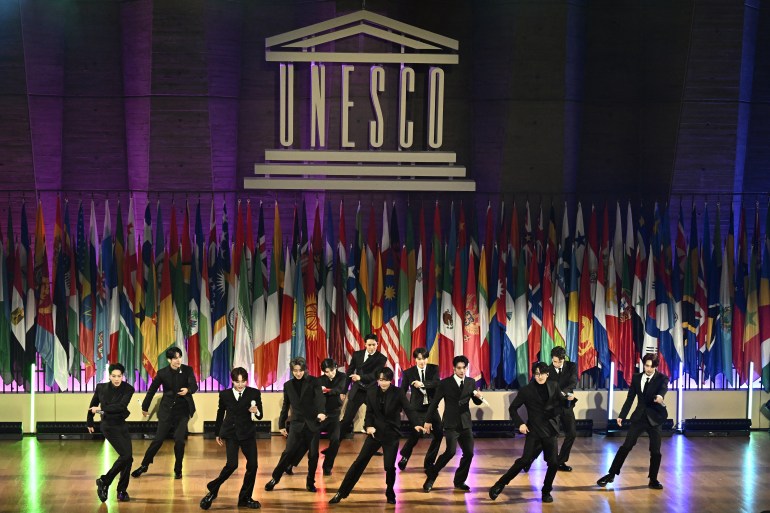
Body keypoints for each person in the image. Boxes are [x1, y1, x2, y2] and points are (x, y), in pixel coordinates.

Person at [329, 367, 424, 505]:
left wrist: (415, 423)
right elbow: (369, 413)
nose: (383, 383)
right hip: (375, 433)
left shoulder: (398, 393)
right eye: (380, 380)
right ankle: (341, 492)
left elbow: (408, 409)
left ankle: (390, 491)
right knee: (358, 463)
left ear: (390, 380)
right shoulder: (371, 391)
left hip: (391, 434)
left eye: (385, 380)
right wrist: (368, 426)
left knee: (389, 467)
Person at [488, 362, 564, 503]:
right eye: (536, 373)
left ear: (547, 374)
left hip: (550, 431)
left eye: (542, 373)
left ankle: (546, 491)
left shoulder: (554, 386)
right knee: (524, 461)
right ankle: (500, 484)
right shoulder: (526, 390)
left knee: (553, 463)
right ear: (533, 375)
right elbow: (513, 409)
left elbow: (561, 403)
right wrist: (520, 423)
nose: (539, 376)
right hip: (534, 431)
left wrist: (568, 401)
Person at [597, 353, 668, 490]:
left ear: (655, 367)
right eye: (646, 366)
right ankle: (611, 474)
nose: (648, 369)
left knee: (655, 451)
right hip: (639, 417)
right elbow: (630, 398)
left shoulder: (662, 378)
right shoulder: (636, 378)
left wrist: (660, 397)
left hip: (655, 418)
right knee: (626, 446)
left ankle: (653, 479)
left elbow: (662, 390)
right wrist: (622, 415)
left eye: (651, 367)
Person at [200, 367, 263, 510]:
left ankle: (245, 498)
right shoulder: (225, 394)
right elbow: (220, 413)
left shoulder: (254, 393)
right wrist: (217, 433)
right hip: (231, 433)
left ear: (246, 380)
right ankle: (214, 488)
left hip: (248, 434)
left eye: (243, 381)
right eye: (237, 381)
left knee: (253, 466)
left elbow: (260, 415)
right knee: (232, 464)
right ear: (232, 381)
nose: (240, 385)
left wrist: (256, 411)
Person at [131, 346, 198, 479]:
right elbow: (152, 390)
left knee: (179, 440)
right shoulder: (162, 373)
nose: (178, 360)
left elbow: (194, 386)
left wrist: (188, 390)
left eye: (179, 357)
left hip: (182, 410)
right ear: (169, 360)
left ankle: (178, 469)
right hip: (167, 410)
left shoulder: (187, 370)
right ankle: (144, 465)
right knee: (158, 440)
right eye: (175, 358)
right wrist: (145, 407)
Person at [421, 355, 485, 493]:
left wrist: (479, 397)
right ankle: (431, 477)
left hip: (465, 423)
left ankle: (459, 481)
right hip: (451, 423)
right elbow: (434, 403)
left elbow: (476, 401)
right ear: (454, 369)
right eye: (459, 368)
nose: (462, 371)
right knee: (450, 452)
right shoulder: (445, 383)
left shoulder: (471, 382)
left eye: (464, 368)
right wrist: (427, 421)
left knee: (469, 453)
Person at [264, 357, 327, 492]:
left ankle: (310, 482)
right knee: (288, 452)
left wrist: (321, 412)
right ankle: (275, 478)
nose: (298, 373)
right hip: (296, 423)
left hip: (313, 423)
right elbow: (286, 406)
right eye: (295, 371)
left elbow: (320, 399)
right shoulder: (288, 385)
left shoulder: (314, 381)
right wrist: (281, 424)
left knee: (313, 455)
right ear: (292, 371)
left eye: (300, 370)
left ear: (305, 370)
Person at [284, 358, 348, 476]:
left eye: (332, 370)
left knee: (335, 440)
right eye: (327, 372)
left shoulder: (342, 377)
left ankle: (327, 466)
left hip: (333, 415)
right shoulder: (319, 380)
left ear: (336, 367)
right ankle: (290, 464)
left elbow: (339, 389)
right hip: (318, 416)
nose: (330, 373)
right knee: (307, 441)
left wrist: (326, 391)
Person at [88, 363, 135, 503]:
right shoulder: (101, 387)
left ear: (123, 376)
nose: (116, 379)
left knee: (128, 458)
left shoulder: (128, 389)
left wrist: (101, 410)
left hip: (121, 424)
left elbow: (120, 407)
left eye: (119, 376)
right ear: (109, 376)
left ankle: (119, 490)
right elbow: (93, 405)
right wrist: (89, 421)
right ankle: (105, 481)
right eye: (113, 376)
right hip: (108, 426)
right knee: (126, 456)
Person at [398, 347, 442, 473]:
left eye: (424, 359)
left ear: (427, 359)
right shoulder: (408, 373)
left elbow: (436, 383)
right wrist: (399, 408)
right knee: (416, 434)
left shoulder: (434, 369)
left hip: (431, 408)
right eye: (419, 359)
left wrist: (422, 384)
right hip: (416, 409)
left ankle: (429, 462)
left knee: (439, 434)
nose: (422, 362)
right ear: (415, 360)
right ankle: (405, 456)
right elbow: (402, 391)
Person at [339, 334, 387, 440]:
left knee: (374, 420)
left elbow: (375, 375)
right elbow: (349, 372)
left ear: (377, 344)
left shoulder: (381, 358)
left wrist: (360, 377)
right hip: (358, 390)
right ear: (365, 344)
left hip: (372, 390)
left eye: (374, 345)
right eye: (369, 345)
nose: (371, 347)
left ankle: (373, 448)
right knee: (347, 418)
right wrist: (344, 390)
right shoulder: (357, 355)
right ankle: (334, 445)